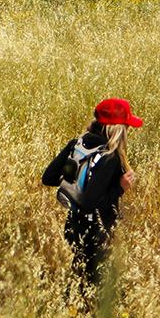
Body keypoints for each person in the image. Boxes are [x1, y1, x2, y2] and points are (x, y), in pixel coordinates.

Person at [42, 98, 141, 301]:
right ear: (117, 128)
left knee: (80, 278)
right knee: (100, 291)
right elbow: (90, 204)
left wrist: (74, 176)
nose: (128, 132)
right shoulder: (110, 158)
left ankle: (69, 312)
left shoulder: (77, 145)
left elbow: (49, 178)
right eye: (126, 126)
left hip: (73, 227)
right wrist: (119, 188)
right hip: (97, 233)